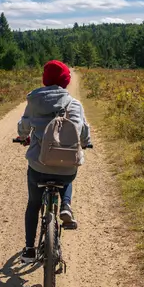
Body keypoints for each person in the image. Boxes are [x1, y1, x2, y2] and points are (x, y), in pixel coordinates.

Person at [17, 60, 92, 263]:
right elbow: (83, 130)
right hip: (67, 166)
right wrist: (86, 143)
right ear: (66, 81)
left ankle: (29, 249)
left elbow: (24, 126)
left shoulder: (33, 101)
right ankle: (66, 205)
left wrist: (23, 136)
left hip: (38, 165)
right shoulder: (74, 104)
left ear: (45, 79)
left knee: (33, 204)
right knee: (67, 176)